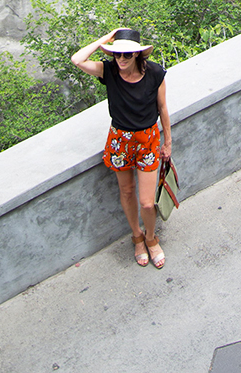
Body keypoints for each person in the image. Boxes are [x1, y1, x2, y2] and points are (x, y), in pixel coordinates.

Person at [71, 27, 172, 269]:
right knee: (126, 192)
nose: (121, 60)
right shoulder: (109, 71)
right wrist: (105, 39)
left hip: (148, 140)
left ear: (137, 54)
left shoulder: (155, 73)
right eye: (117, 55)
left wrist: (167, 141)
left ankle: (151, 236)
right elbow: (77, 59)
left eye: (127, 55)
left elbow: (163, 108)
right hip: (119, 140)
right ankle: (137, 236)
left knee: (147, 202)